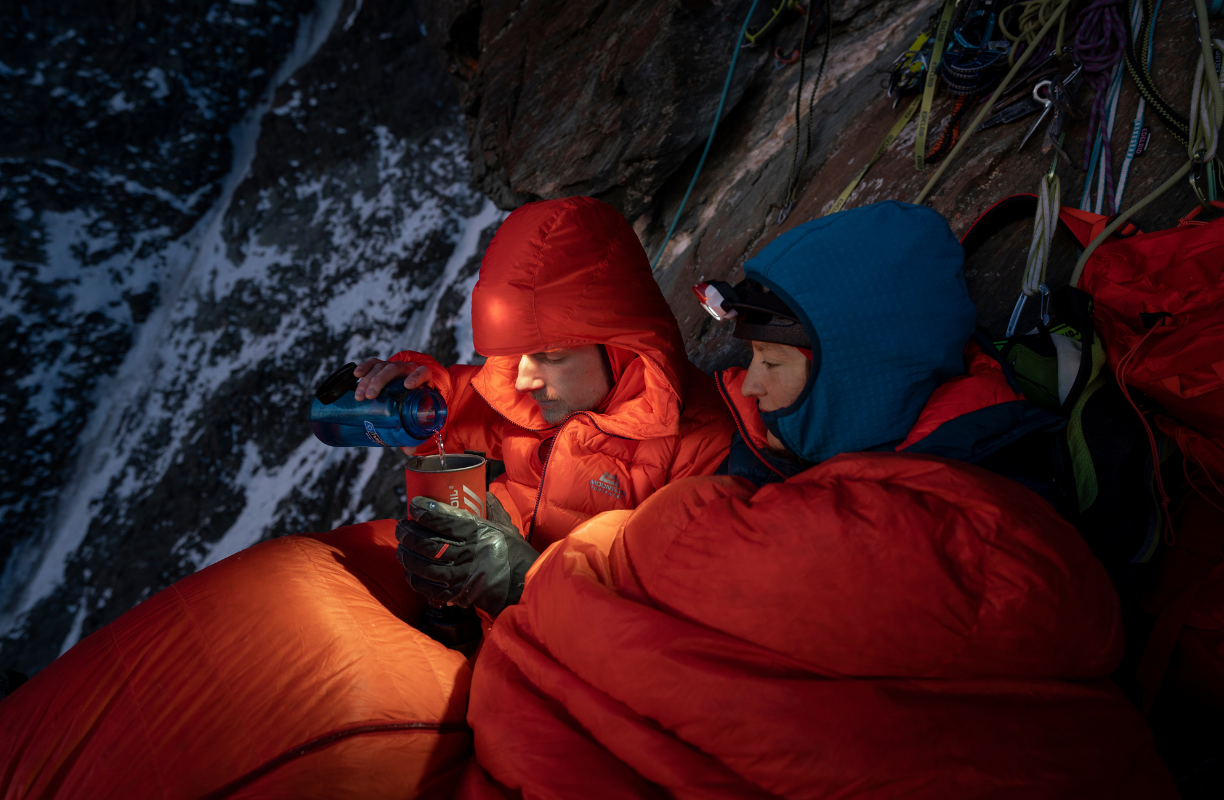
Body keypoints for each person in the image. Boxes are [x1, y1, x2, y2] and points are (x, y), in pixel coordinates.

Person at [454, 201, 1177, 798]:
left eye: (771, 363)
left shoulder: (967, 501)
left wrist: (537, 580)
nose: (752, 386)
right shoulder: (875, 433)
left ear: (862, 373)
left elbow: (709, 570)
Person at [354, 196, 733, 620]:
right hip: (475, 617)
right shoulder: (547, 399)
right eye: (517, 354)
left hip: (538, 653)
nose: (522, 380)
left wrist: (521, 581)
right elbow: (455, 411)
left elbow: (659, 632)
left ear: (621, 348)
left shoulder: (700, 451)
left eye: (552, 356)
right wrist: (417, 386)